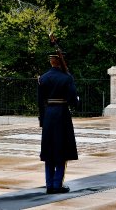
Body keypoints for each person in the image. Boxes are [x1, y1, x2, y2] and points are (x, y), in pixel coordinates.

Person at [37, 52, 78, 194]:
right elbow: (73, 100)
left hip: (48, 115)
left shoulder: (43, 78)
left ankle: (49, 184)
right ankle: (57, 184)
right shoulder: (67, 77)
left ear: (51, 62)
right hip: (62, 115)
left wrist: (42, 120)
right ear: (60, 61)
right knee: (62, 149)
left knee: (49, 151)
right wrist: (76, 99)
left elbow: (40, 103)